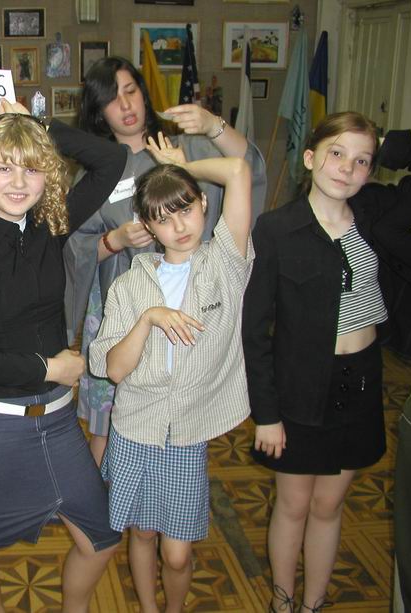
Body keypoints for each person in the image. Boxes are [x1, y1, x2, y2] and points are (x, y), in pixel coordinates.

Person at [0, 85, 127, 613]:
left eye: (32, 168)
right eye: (4, 167)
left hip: (58, 421)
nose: (18, 182)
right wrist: (47, 367)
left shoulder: (50, 224)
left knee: (101, 536)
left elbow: (110, 160)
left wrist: (34, 125)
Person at [242, 114, 411, 612]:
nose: (347, 168)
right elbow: (253, 331)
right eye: (336, 153)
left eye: (362, 161)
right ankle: (283, 603)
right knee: (295, 504)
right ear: (310, 157)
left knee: (329, 504)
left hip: (360, 381)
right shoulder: (276, 229)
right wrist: (267, 414)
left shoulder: (375, 215)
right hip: (299, 385)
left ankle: (313, 604)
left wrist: (391, 146)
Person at [66, 56, 267, 465]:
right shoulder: (95, 174)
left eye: (131, 91)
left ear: (144, 94)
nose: (125, 105)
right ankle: (105, 503)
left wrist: (212, 127)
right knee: (107, 429)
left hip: (189, 310)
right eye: (112, 100)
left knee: (180, 429)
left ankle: (164, 494)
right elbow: (70, 249)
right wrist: (115, 240)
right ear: (98, 112)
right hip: (123, 313)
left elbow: (248, 170)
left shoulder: (184, 149)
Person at [89, 138, 253, 613]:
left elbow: (238, 171)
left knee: (177, 553)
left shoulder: (225, 262)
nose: (179, 226)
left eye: (185, 209)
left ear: (203, 204)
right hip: (135, 427)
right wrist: (148, 319)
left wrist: (180, 166)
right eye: (163, 218)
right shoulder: (129, 285)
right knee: (142, 533)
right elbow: (113, 369)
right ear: (147, 227)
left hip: (186, 431)